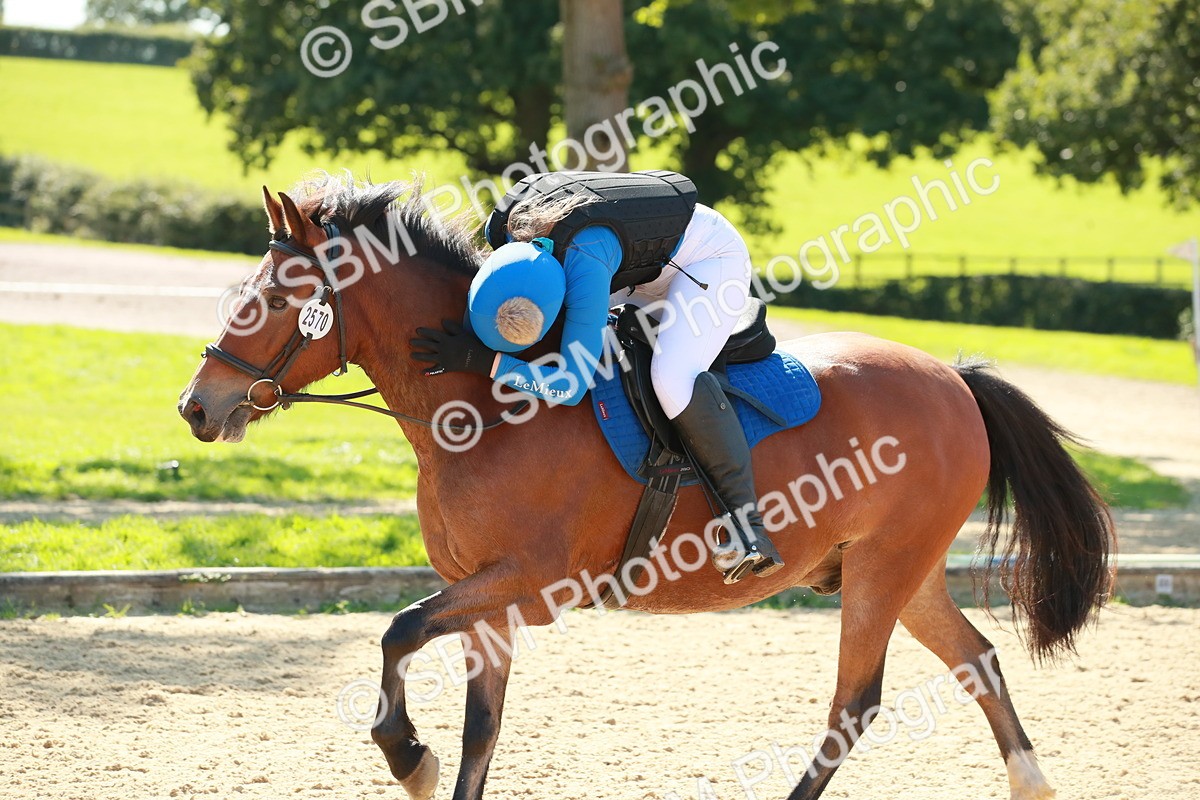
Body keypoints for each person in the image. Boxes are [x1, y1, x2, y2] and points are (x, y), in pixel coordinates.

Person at [411, 170, 783, 583]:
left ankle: (748, 528)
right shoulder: (501, 231)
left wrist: (487, 363)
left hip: (705, 261)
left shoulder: (584, 267)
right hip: (636, 255)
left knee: (672, 378)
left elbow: (571, 386)